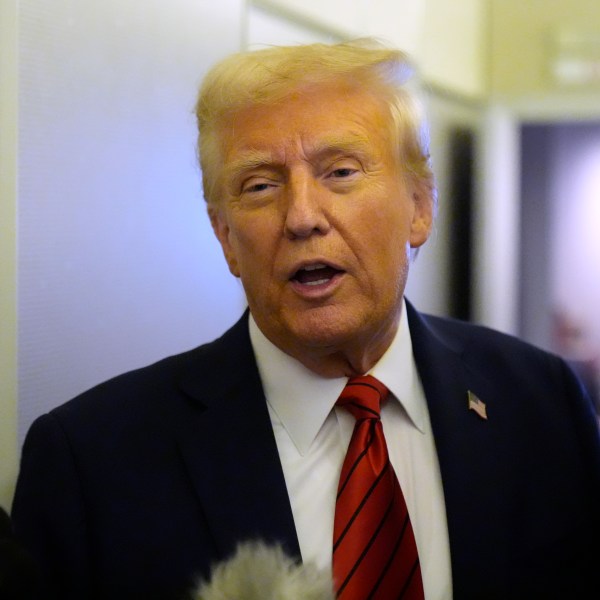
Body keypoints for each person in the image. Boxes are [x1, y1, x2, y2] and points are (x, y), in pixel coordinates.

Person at [11, 39, 600, 600]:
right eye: (261, 185)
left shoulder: (543, 403)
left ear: (419, 208)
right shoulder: (91, 462)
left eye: (340, 172)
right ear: (226, 239)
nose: (301, 217)